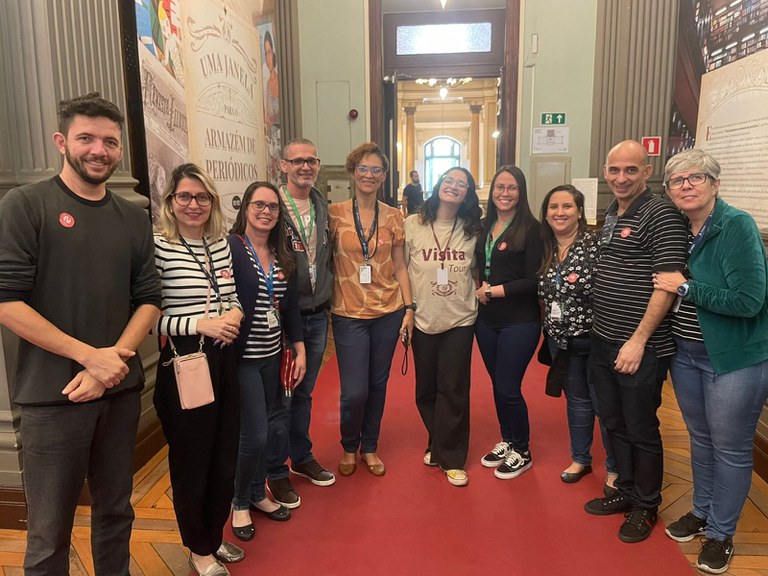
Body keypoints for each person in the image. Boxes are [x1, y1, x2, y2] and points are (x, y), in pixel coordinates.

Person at [0, 92, 161, 576]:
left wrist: (112, 363)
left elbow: (149, 298)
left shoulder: (133, 214)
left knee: (116, 511)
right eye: (86, 138)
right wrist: (90, 357)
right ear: (61, 142)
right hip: (51, 398)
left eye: (110, 141)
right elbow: (7, 302)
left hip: (119, 392)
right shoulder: (26, 205)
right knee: (50, 532)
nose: (99, 150)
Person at [653, 149, 768, 574]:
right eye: (677, 180)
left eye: (695, 177)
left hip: (733, 359)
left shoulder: (736, 226)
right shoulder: (681, 227)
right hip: (687, 355)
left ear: (715, 184)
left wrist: (687, 289)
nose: (686, 185)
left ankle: (721, 533)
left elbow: (749, 301)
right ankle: (701, 512)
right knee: (700, 440)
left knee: (733, 450)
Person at [583, 140, 688, 544]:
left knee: (641, 426)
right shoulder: (614, 210)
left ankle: (646, 505)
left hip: (639, 347)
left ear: (647, 170)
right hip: (604, 340)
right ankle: (625, 490)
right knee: (613, 422)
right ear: (605, 172)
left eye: (631, 170)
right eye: (614, 170)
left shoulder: (660, 213)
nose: (621, 178)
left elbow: (667, 284)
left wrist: (638, 341)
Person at [153, 163, 245, 576]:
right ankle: (197, 547)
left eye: (202, 197)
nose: (194, 204)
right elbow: (146, 316)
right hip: (185, 360)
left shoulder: (220, 244)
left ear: (212, 202)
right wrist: (198, 325)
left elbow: (232, 294)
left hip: (224, 358)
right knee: (193, 460)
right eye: (185, 197)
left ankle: (212, 532)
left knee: (225, 456)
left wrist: (236, 313)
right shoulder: (157, 246)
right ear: (171, 202)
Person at [329, 142, 414, 477]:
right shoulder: (334, 213)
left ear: (383, 176)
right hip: (348, 313)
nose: (369, 174)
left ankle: (370, 447)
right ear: (352, 172)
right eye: (362, 168)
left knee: (378, 384)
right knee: (354, 390)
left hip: (388, 310)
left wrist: (409, 308)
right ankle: (349, 445)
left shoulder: (394, 216)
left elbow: (401, 266)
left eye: (376, 169)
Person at [228, 182, 307, 541]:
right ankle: (240, 501)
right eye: (259, 205)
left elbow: (288, 307)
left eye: (273, 207)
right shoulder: (230, 249)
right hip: (242, 358)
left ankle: (259, 494)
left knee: (269, 427)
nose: (266, 212)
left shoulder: (281, 254)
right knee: (254, 434)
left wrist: (300, 346)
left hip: (272, 355)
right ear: (245, 208)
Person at [265, 138, 335, 510]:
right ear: (283, 165)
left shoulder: (323, 207)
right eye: (298, 161)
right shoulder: (271, 205)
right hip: (282, 318)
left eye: (311, 160)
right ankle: (275, 470)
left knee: (304, 393)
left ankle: (301, 456)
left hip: (317, 315)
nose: (305, 167)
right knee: (281, 396)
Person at [405, 167, 481, 487]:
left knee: (453, 388)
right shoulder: (412, 224)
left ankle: (451, 457)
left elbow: (478, 270)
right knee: (426, 389)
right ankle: (437, 440)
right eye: (448, 181)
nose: (453, 186)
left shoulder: (472, 229)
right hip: (423, 317)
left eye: (461, 184)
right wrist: (406, 310)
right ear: (438, 186)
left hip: (460, 318)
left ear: (467, 194)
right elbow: (400, 268)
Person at [537, 185, 617, 491]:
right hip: (562, 341)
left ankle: (614, 466)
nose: (560, 212)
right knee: (578, 402)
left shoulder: (595, 243)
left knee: (604, 404)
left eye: (567, 206)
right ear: (546, 214)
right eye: (554, 207)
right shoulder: (546, 247)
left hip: (596, 339)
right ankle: (581, 458)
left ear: (580, 211)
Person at [474, 165, 543, 480]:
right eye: (499, 187)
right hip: (487, 321)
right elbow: (480, 264)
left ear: (521, 191)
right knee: (497, 386)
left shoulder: (531, 228)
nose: (504, 193)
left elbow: (534, 280)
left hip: (520, 320)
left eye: (512, 187)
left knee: (508, 386)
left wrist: (494, 290)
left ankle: (523, 450)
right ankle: (508, 440)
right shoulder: (484, 225)